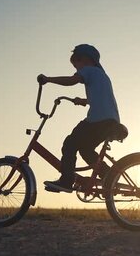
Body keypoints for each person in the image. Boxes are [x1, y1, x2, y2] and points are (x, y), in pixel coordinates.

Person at [38, 44, 121, 193]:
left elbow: (71, 80)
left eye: (76, 64)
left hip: (97, 120)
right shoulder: (102, 75)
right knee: (86, 149)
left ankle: (66, 181)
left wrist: (48, 79)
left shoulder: (89, 70)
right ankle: (109, 176)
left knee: (70, 144)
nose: (76, 69)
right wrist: (83, 101)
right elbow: (100, 97)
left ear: (85, 59)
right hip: (110, 121)